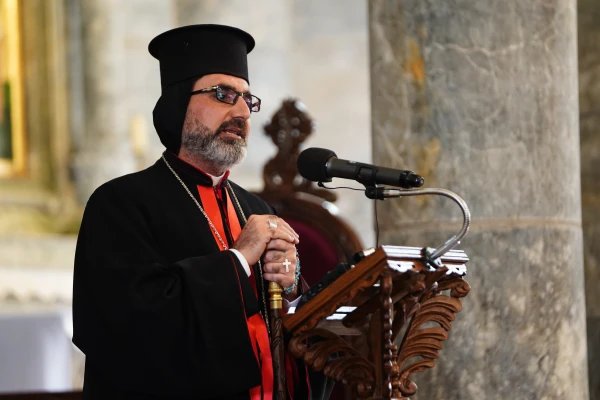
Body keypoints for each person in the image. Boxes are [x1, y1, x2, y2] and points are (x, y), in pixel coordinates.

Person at [72, 24, 328, 400]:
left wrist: (290, 290)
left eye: (248, 99)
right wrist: (239, 259)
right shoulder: (119, 204)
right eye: (223, 94)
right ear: (179, 104)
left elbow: (289, 338)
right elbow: (124, 327)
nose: (242, 112)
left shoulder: (256, 208)